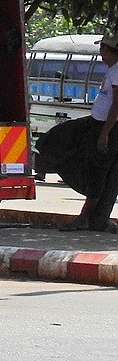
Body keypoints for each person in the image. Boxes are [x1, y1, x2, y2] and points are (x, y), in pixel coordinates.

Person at [38, 32, 118, 232]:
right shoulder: (112, 70)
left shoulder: (117, 71)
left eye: (102, 49)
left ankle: (85, 217)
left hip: (107, 126)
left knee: (98, 172)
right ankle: (96, 217)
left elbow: (117, 104)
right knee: (63, 138)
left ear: (107, 50)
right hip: (96, 122)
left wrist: (105, 133)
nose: (101, 53)